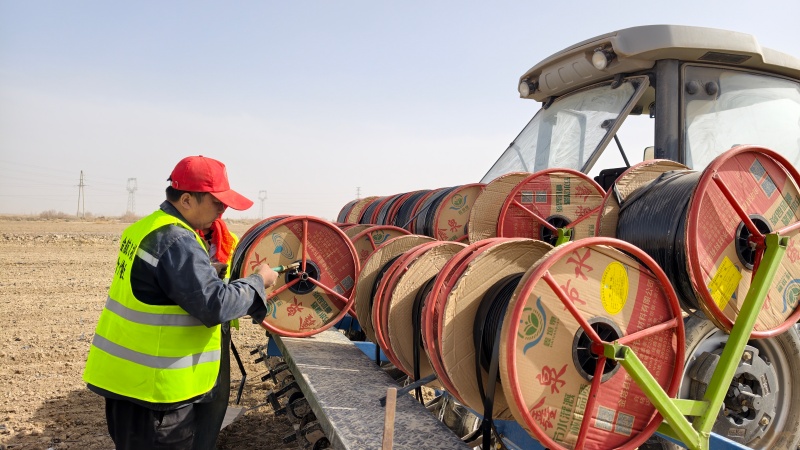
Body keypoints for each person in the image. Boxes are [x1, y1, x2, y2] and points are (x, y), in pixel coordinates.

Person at [83, 155, 279, 450]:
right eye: (217, 202)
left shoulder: (146, 228)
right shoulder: (177, 240)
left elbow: (158, 289)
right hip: (157, 395)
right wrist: (258, 282)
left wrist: (204, 273)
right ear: (186, 199)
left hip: (130, 386)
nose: (222, 211)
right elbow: (214, 305)